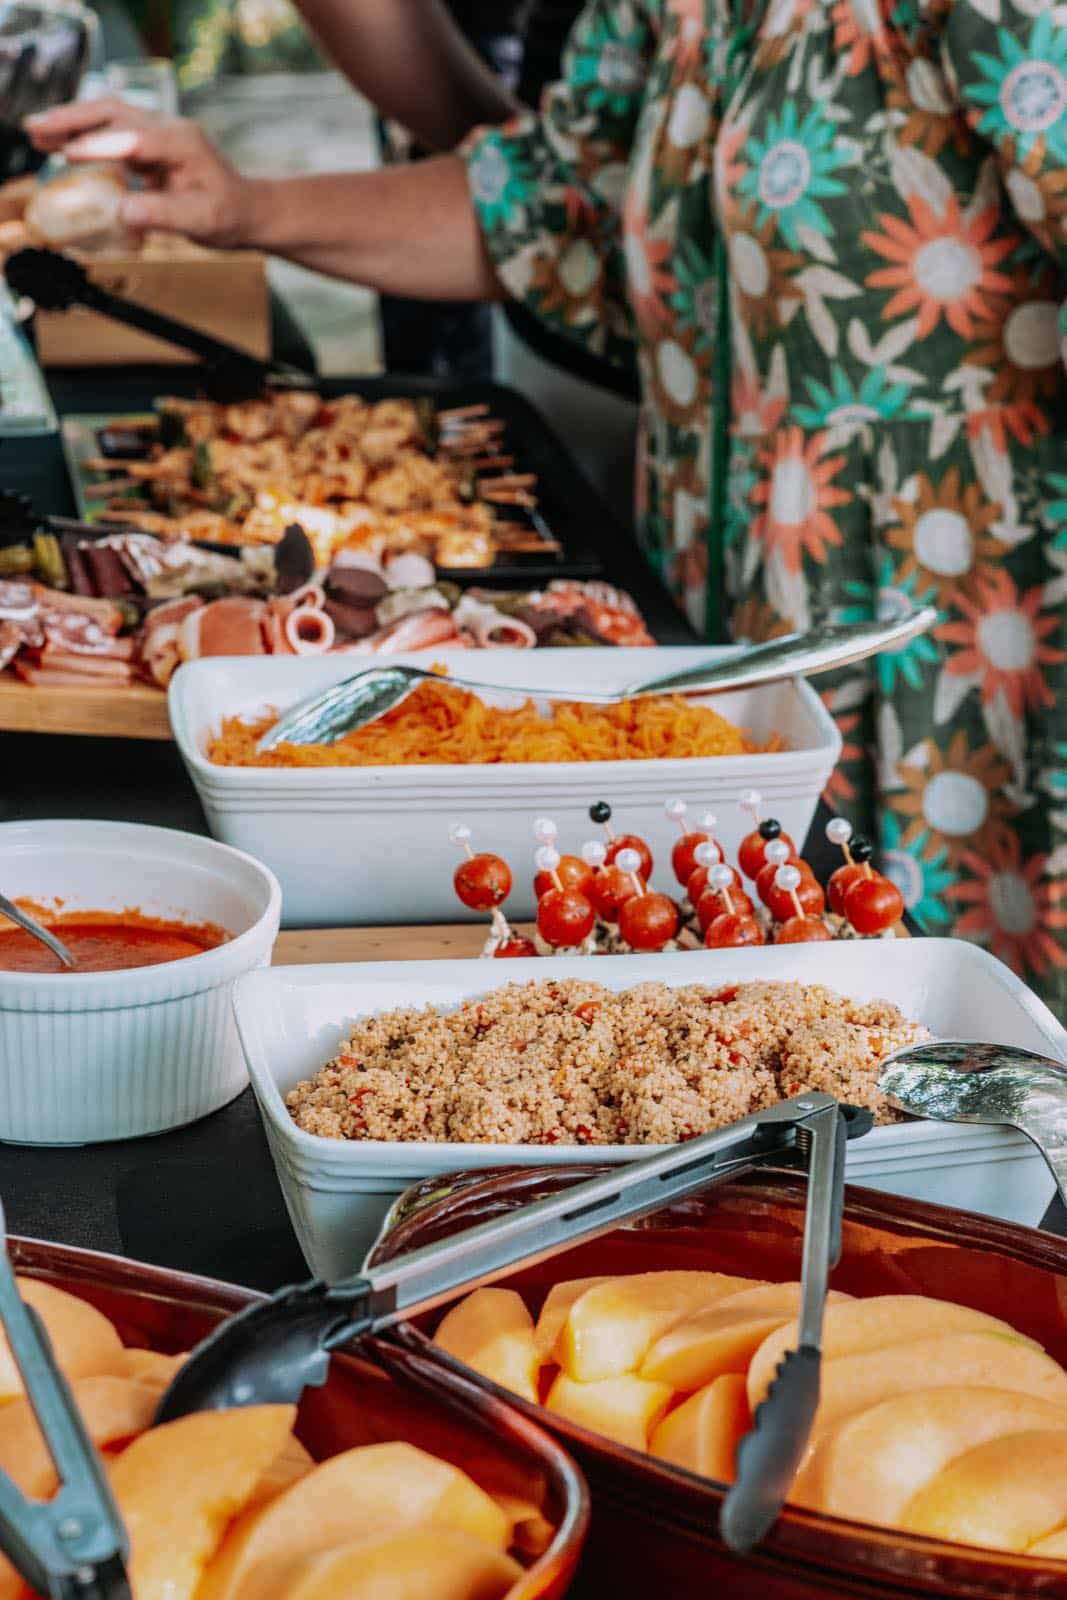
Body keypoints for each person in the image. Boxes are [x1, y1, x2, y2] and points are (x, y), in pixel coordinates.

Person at [30, 0, 1067, 1008]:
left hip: (979, 643)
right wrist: (238, 207)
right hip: (728, 624)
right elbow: (550, 210)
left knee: (971, 1054)